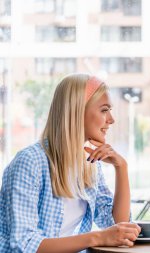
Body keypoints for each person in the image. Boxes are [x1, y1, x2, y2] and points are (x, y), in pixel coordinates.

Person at [0, 73, 141, 252]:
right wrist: (97, 237)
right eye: (104, 110)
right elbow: (24, 244)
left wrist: (121, 167)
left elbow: (116, 225)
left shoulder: (89, 162)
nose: (111, 119)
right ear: (76, 111)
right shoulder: (30, 163)